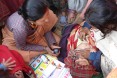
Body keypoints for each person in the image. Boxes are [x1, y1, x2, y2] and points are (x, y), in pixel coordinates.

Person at [84, 0, 117, 77]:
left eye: (93, 27)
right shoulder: (111, 11)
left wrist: (93, 56)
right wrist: (86, 27)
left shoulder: (111, 43)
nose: (92, 29)